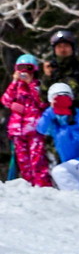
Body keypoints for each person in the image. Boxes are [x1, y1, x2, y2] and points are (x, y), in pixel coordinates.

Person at [36, 82, 79, 191]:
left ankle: (77, 199)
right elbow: (41, 129)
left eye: (65, 97)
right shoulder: (55, 124)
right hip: (73, 166)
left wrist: (72, 122)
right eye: (57, 98)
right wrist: (51, 111)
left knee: (59, 172)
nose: (61, 100)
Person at [2, 53, 53, 187]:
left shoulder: (37, 86)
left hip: (34, 131)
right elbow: (5, 99)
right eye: (21, 68)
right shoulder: (15, 87)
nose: (24, 72)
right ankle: (28, 187)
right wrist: (14, 82)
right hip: (17, 132)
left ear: (34, 70)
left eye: (28, 68)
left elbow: (43, 103)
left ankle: (42, 187)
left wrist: (31, 84)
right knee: (23, 163)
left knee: (37, 162)